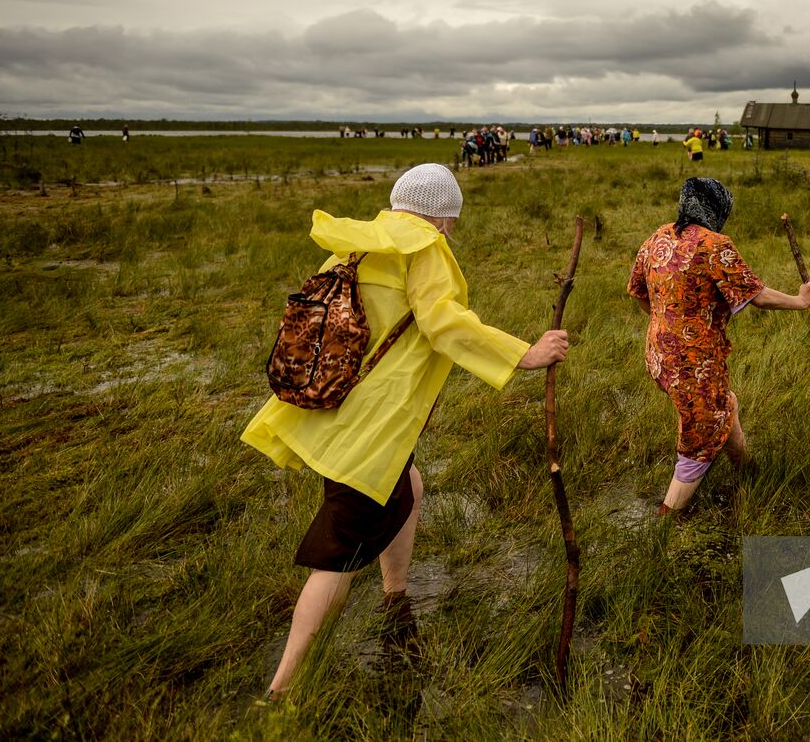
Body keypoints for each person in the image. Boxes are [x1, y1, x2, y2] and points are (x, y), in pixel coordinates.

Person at [243, 164, 569, 698]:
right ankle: (281, 692)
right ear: (443, 218)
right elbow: (443, 322)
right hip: (369, 425)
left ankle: (396, 598)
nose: (451, 233)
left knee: (409, 486)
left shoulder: (358, 244)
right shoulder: (425, 247)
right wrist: (524, 354)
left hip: (338, 407)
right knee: (339, 550)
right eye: (452, 224)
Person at [627, 178, 810, 516]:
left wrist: (666, 322)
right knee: (698, 443)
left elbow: (638, 292)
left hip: (658, 355)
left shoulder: (658, 236)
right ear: (717, 209)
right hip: (692, 364)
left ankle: (747, 472)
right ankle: (662, 524)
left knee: (724, 404)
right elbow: (757, 296)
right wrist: (801, 300)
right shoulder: (714, 244)